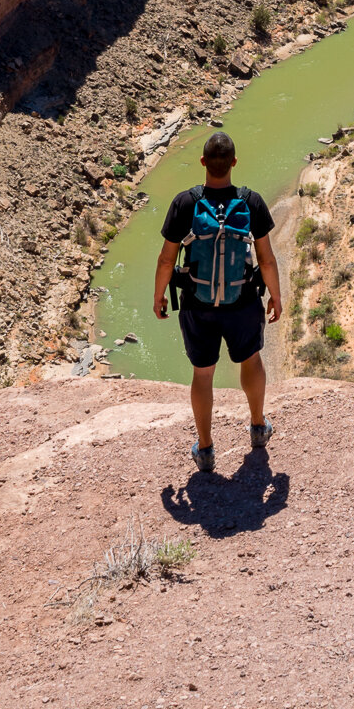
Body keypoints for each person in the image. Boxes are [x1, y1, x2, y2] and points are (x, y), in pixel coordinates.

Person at [154, 129, 281, 473]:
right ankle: (257, 427)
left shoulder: (185, 203)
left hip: (198, 305)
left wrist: (159, 297)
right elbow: (266, 259)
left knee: (203, 373)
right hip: (242, 302)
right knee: (251, 360)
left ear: (203, 162)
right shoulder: (251, 202)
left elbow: (167, 259)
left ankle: (206, 448)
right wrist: (276, 297)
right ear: (234, 163)